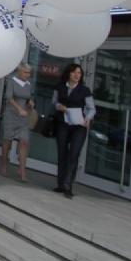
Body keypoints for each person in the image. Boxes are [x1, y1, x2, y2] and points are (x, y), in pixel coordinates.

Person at [52, 63, 96, 199]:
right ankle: (60, 183)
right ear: (68, 73)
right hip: (63, 123)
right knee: (62, 153)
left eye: (79, 73)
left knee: (74, 154)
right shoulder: (60, 87)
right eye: (74, 72)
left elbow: (92, 108)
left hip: (79, 125)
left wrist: (88, 118)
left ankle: (68, 185)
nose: (77, 75)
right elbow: (54, 101)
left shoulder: (85, 90)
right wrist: (59, 106)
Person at [0, 63, 35, 181]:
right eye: (25, 72)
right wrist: (19, 109)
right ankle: (4, 165)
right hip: (11, 115)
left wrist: (30, 103)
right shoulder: (12, 81)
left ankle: (22, 171)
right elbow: (9, 97)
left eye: (29, 73)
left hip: (23, 117)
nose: (27, 75)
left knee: (24, 142)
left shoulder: (29, 84)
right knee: (7, 141)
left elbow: (28, 98)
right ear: (19, 72)